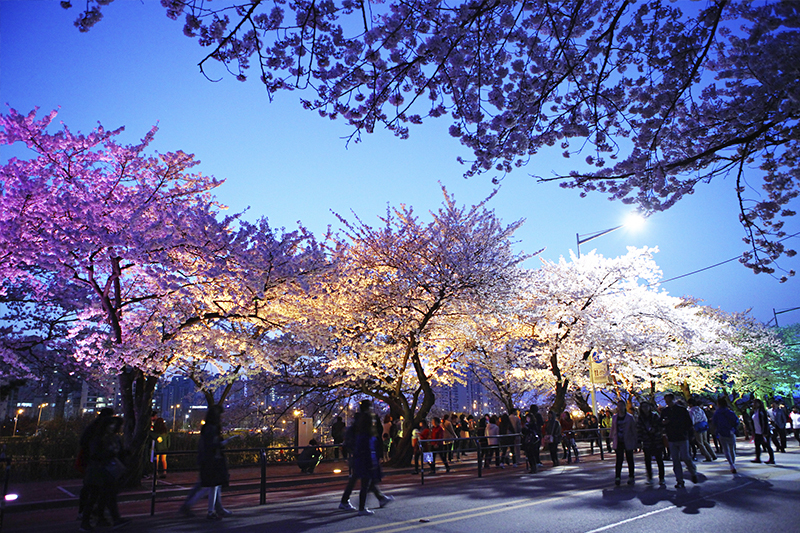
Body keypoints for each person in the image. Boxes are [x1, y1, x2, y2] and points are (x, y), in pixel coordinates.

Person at [180, 405, 238, 520]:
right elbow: (211, 445)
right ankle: (197, 507)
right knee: (209, 486)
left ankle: (213, 509)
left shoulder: (208, 427)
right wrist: (224, 443)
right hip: (211, 460)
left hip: (209, 460)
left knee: (211, 485)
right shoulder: (211, 429)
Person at [339, 400, 393, 512]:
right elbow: (373, 439)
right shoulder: (367, 421)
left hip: (357, 453)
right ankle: (362, 505)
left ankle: (377, 498)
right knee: (366, 479)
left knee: (360, 478)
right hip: (364, 455)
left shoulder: (357, 420)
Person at [80, 416, 130, 531]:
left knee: (104, 496)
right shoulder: (99, 438)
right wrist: (110, 454)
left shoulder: (111, 438)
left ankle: (100, 519)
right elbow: (95, 454)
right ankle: (88, 522)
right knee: (97, 496)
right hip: (99, 471)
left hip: (106, 471)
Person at [77, 407, 114, 524]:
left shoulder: (94, 427)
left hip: (91, 461)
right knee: (94, 490)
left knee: (91, 489)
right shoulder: (99, 430)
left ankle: (87, 514)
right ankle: (88, 517)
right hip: (95, 462)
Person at [661, 393, 698, 489]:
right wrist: (664, 424)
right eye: (666, 401)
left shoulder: (681, 410)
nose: (668, 403)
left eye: (669, 401)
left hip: (682, 436)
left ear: (673, 400)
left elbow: (688, 423)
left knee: (686, 457)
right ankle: (679, 480)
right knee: (675, 460)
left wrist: (690, 435)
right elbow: (661, 423)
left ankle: (693, 471)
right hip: (672, 437)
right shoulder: (665, 411)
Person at [637, 401, 665, 485]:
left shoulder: (655, 416)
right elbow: (639, 430)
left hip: (656, 440)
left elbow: (660, 426)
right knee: (647, 460)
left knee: (659, 459)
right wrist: (639, 441)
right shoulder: (640, 418)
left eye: (646, 406)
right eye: (643, 407)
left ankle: (662, 478)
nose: (645, 409)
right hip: (646, 441)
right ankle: (649, 477)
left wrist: (655, 430)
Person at [611, 401, 637, 485]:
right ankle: (617, 477)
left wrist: (636, 440)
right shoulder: (615, 417)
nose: (620, 407)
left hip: (628, 439)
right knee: (619, 459)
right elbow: (613, 428)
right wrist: (611, 438)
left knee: (630, 459)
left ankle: (631, 476)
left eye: (621, 405)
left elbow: (634, 429)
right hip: (618, 440)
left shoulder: (629, 417)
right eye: (618, 406)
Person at [711, 397, 739, 473]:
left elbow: (714, 423)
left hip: (721, 432)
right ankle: (733, 463)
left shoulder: (717, 413)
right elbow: (736, 421)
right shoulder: (730, 412)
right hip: (730, 431)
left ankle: (731, 464)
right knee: (732, 449)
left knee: (725, 449)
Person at [688, 398, 716, 462]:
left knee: (700, 443)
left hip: (697, 427)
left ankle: (708, 456)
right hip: (703, 425)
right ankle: (713, 454)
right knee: (705, 441)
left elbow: (692, 420)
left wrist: (692, 427)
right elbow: (705, 418)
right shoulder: (700, 409)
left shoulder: (691, 411)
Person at [751, 399, 775, 464]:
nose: (754, 404)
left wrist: (765, 432)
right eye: (754, 403)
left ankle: (772, 459)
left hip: (763, 431)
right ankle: (758, 458)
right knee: (757, 445)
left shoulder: (762, 412)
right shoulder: (754, 411)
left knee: (767, 445)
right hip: (757, 431)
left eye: (756, 403)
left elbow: (765, 422)